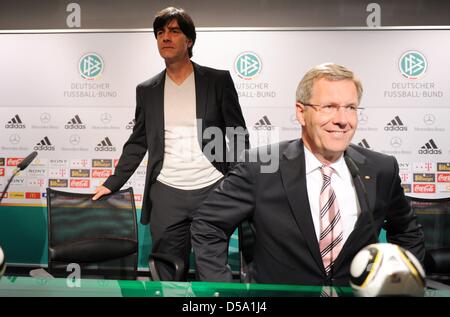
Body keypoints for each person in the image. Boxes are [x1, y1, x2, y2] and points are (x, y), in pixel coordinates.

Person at [190, 63, 425, 286]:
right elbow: (208, 225)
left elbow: (407, 231)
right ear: (301, 113)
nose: (342, 120)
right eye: (329, 107)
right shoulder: (260, 166)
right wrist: (222, 292)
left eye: (350, 108)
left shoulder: (381, 169)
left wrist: (402, 284)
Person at [92, 7, 249, 281]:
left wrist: (235, 180)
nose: (166, 37)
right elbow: (137, 142)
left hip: (212, 188)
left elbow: (237, 132)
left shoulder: (217, 80)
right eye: (160, 33)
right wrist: (112, 182)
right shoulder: (147, 90)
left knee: (212, 272)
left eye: (174, 31)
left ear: (189, 40)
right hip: (166, 193)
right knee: (165, 273)